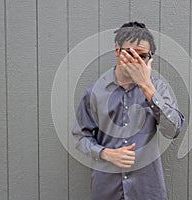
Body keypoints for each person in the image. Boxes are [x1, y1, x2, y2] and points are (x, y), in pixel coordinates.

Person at [72, 21, 185, 200]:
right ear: (117, 50)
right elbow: (80, 137)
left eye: (142, 56)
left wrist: (146, 87)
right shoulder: (95, 92)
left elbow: (173, 130)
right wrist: (105, 153)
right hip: (106, 189)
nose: (136, 61)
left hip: (147, 190)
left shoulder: (158, 88)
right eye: (130, 53)